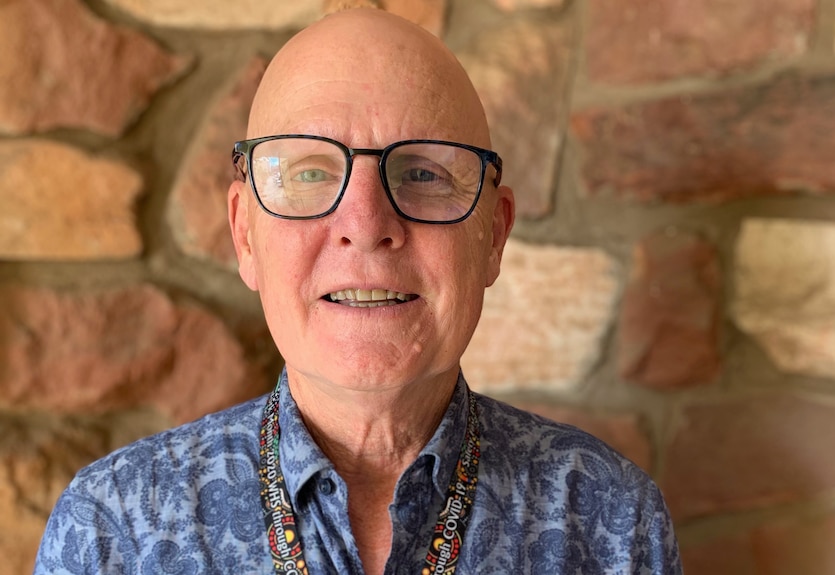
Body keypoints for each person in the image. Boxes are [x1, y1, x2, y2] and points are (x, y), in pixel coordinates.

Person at [34, 7, 682, 575]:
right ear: (245, 234)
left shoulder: (613, 524)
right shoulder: (112, 531)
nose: (367, 226)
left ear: (493, 235)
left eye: (424, 172)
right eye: (312, 172)